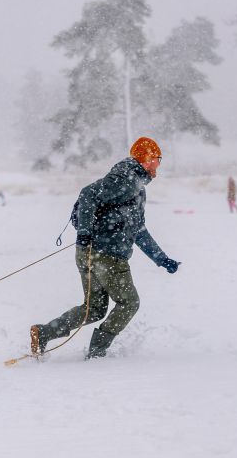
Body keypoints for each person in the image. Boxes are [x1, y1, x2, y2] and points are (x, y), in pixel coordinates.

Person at [30, 137, 180, 360]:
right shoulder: (127, 180)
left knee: (94, 308)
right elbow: (88, 194)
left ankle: (43, 333)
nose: (159, 164)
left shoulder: (136, 185)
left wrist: (161, 258)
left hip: (89, 254)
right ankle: (97, 353)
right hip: (107, 257)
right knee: (129, 303)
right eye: (157, 159)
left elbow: (138, 230)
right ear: (146, 159)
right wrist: (84, 233)